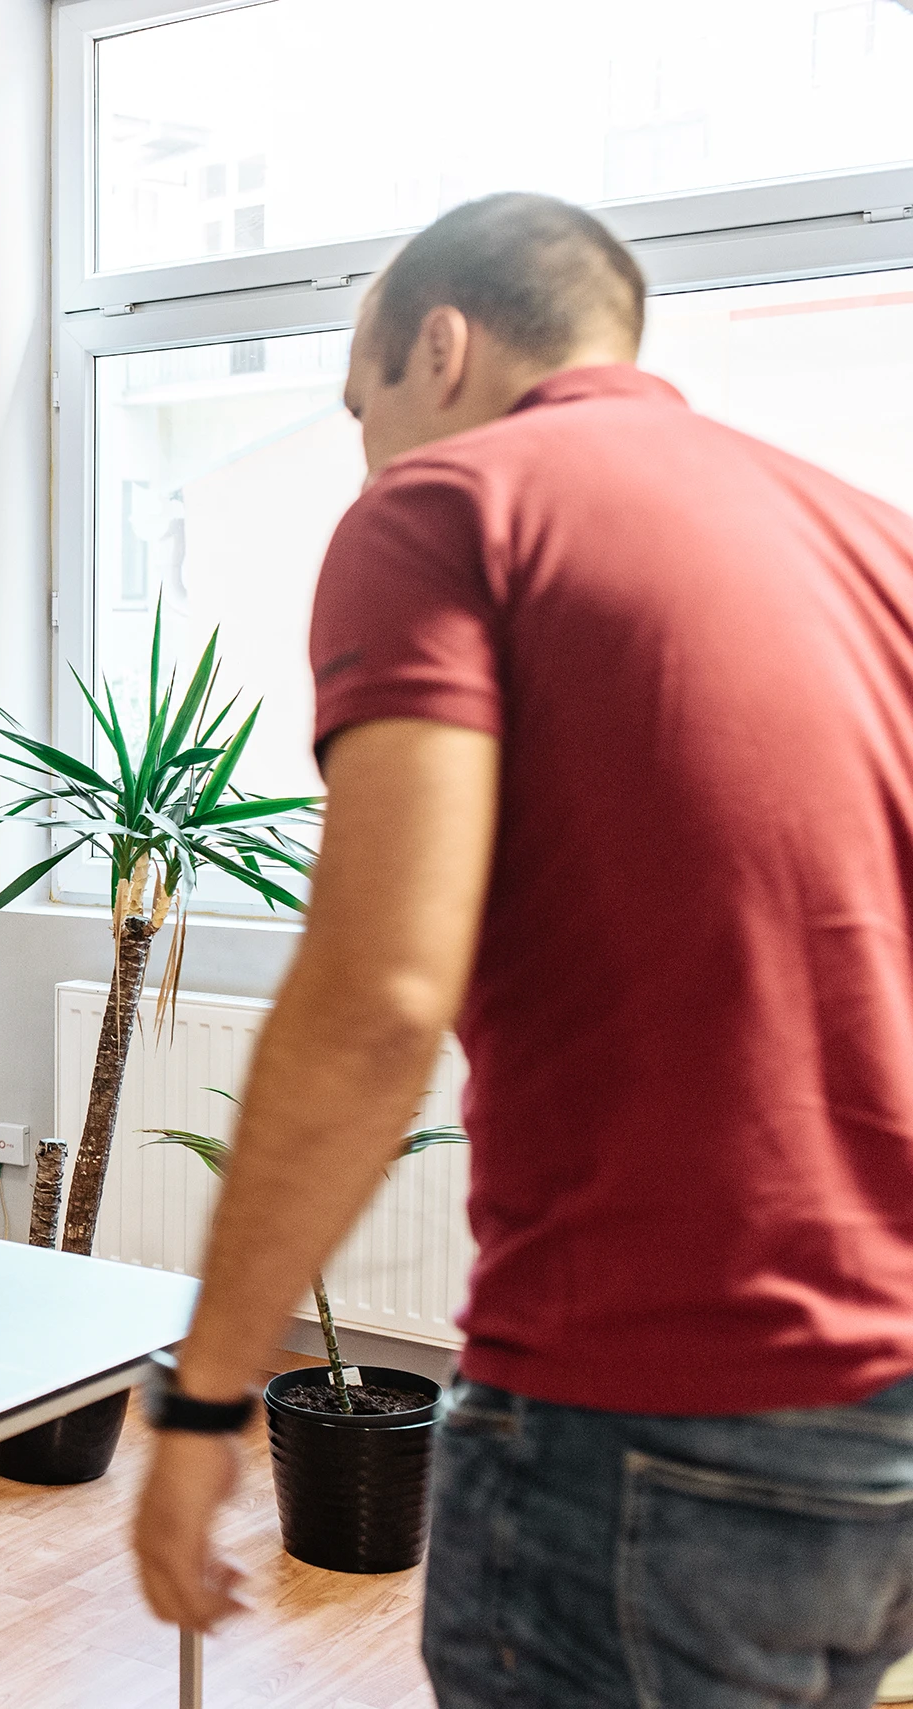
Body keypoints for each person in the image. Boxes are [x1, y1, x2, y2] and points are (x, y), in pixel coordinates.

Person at [130, 193, 913, 1705]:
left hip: (645, 1417)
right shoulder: (874, 543)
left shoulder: (448, 508)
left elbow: (378, 997)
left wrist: (206, 1397)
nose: (365, 452)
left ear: (441, 346)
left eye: (358, 408)